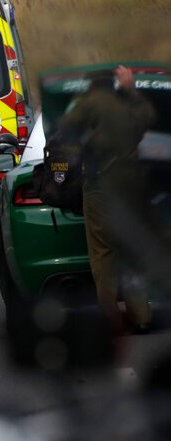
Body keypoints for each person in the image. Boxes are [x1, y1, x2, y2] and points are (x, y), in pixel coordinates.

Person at [57, 65, 156, 335]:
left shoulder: (82, 106)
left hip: (100, 187)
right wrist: (131, 90)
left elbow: (64, 139)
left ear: (90, 86)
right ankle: (142, 317)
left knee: (103, 255)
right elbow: (147, 119)